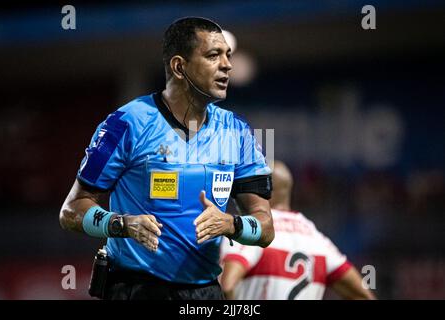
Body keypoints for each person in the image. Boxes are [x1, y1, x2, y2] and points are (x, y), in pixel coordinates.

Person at [59, 17, 274, 300]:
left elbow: (266, 227)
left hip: (206, 293)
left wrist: (232, 225)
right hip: (135, 289)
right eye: (213, 56)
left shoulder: (237, 132)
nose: (227, 65)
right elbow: (71, 210)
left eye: (227, 56)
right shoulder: (127, 124)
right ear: (179, 67)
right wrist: (121, 224)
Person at [220, 161, 376, 300]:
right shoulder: (318, 240)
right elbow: (363, 295)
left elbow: (226, 285)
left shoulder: (254, 231)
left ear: (263, 190)